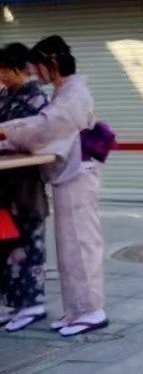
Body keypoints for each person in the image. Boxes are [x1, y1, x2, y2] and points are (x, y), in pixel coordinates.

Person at [0, 36, 106, 337]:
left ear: (53, 63)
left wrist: (5, 130)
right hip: (69, 175)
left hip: (77, 177)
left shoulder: (73, 95)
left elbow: (44, 128)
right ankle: (76, 309)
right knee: (69, 246)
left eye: (39, 66)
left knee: (80, 244)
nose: (36, 73)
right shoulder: (66, 92)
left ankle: (91, 309)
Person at [0, 43, 50, 332]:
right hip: (4, 183)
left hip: (25, 184)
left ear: (18, 69)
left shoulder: (37, 99)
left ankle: (32, 304)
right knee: (5, 244)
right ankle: (11, 303)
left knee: (28, 243)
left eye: (4, 70)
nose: (1, 76)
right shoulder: (5, 95)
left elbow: (38, 139)